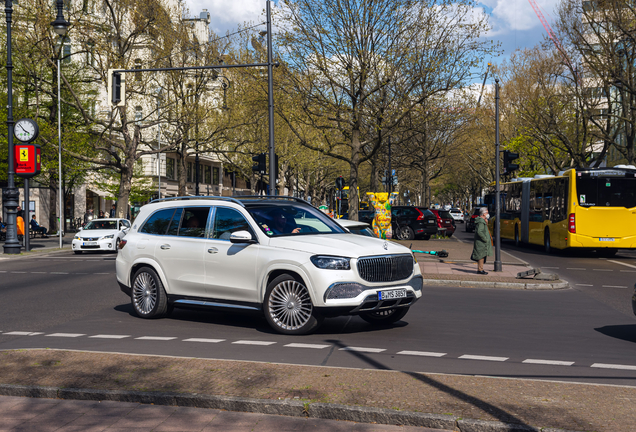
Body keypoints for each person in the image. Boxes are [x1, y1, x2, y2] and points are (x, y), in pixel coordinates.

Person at [471, 207, 492, 275]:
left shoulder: (482, 221)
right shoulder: (480, 221)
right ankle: (480, 270)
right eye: (487, 213)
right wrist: (485, 239)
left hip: (482, 242)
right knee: (481, 256)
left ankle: (481, 269)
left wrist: (486, 223)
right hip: (481, 242)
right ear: (483, 214)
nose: (488, 214)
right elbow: (480, 232)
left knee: (482, 255)